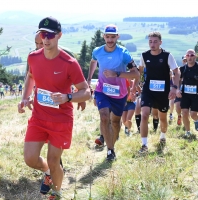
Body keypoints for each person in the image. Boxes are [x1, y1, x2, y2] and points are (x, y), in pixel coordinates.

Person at [18, 16, 90, 199]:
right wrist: (25, 98)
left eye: (50, 35)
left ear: (59, 36)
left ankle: (56, 193)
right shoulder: (33, 57)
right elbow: (31, 77)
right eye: (43, 34)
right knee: (30, 159)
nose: (46, 39)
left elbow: (86, 92)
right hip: (39, 118)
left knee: (53, 158)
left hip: (61, 120)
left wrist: (68, 97)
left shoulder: (69, 63)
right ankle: (49, 171)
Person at [87, 24, 140, 161]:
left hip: (119, 93)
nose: (110, 40)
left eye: (113, 37)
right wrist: (88, 80)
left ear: (117, 37)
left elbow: (135, 73)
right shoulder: (97, 51)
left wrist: (116, 74)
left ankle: (112, 142)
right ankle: (110, 150)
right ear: (104, 36)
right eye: (107, 37)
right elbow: (93, 62)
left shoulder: (124, 53)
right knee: (104, 117)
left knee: (115, 122)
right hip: (102, 90)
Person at [138, 31, 180, 153]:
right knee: (144, 114)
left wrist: (174, 87)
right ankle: (144, 145)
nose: (152, 44)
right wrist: (137, 83)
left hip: (163, 92)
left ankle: (162, 135)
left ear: (160, 42)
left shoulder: (167, 56)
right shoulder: (144, 55)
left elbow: (176, 72)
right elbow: (139, 71)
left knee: (162, 118)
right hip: (148, 90)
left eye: (155, 41)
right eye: (150, 41)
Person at [176, 49, 198, 137]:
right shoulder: (182, 69)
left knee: (193, 114)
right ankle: (188, 132)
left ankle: (196, 120)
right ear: (186, 57)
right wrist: (177, 89)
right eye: (188, 55)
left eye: (192, 55)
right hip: (185, 94)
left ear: (195, 56)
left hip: (196, 95)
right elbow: (178, 80)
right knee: (184, 113)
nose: (189, 57)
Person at [174, 55, 187, 126]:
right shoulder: (180, 69)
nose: (185, 62)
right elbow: (177, 80)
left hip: (189, 92)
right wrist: (177, 89)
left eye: (186, 60)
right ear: (182, 61)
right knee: (178, 106)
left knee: (186, 110)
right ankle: (179, 115)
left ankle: (186, 122)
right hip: (180, 90)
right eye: (184, 60)